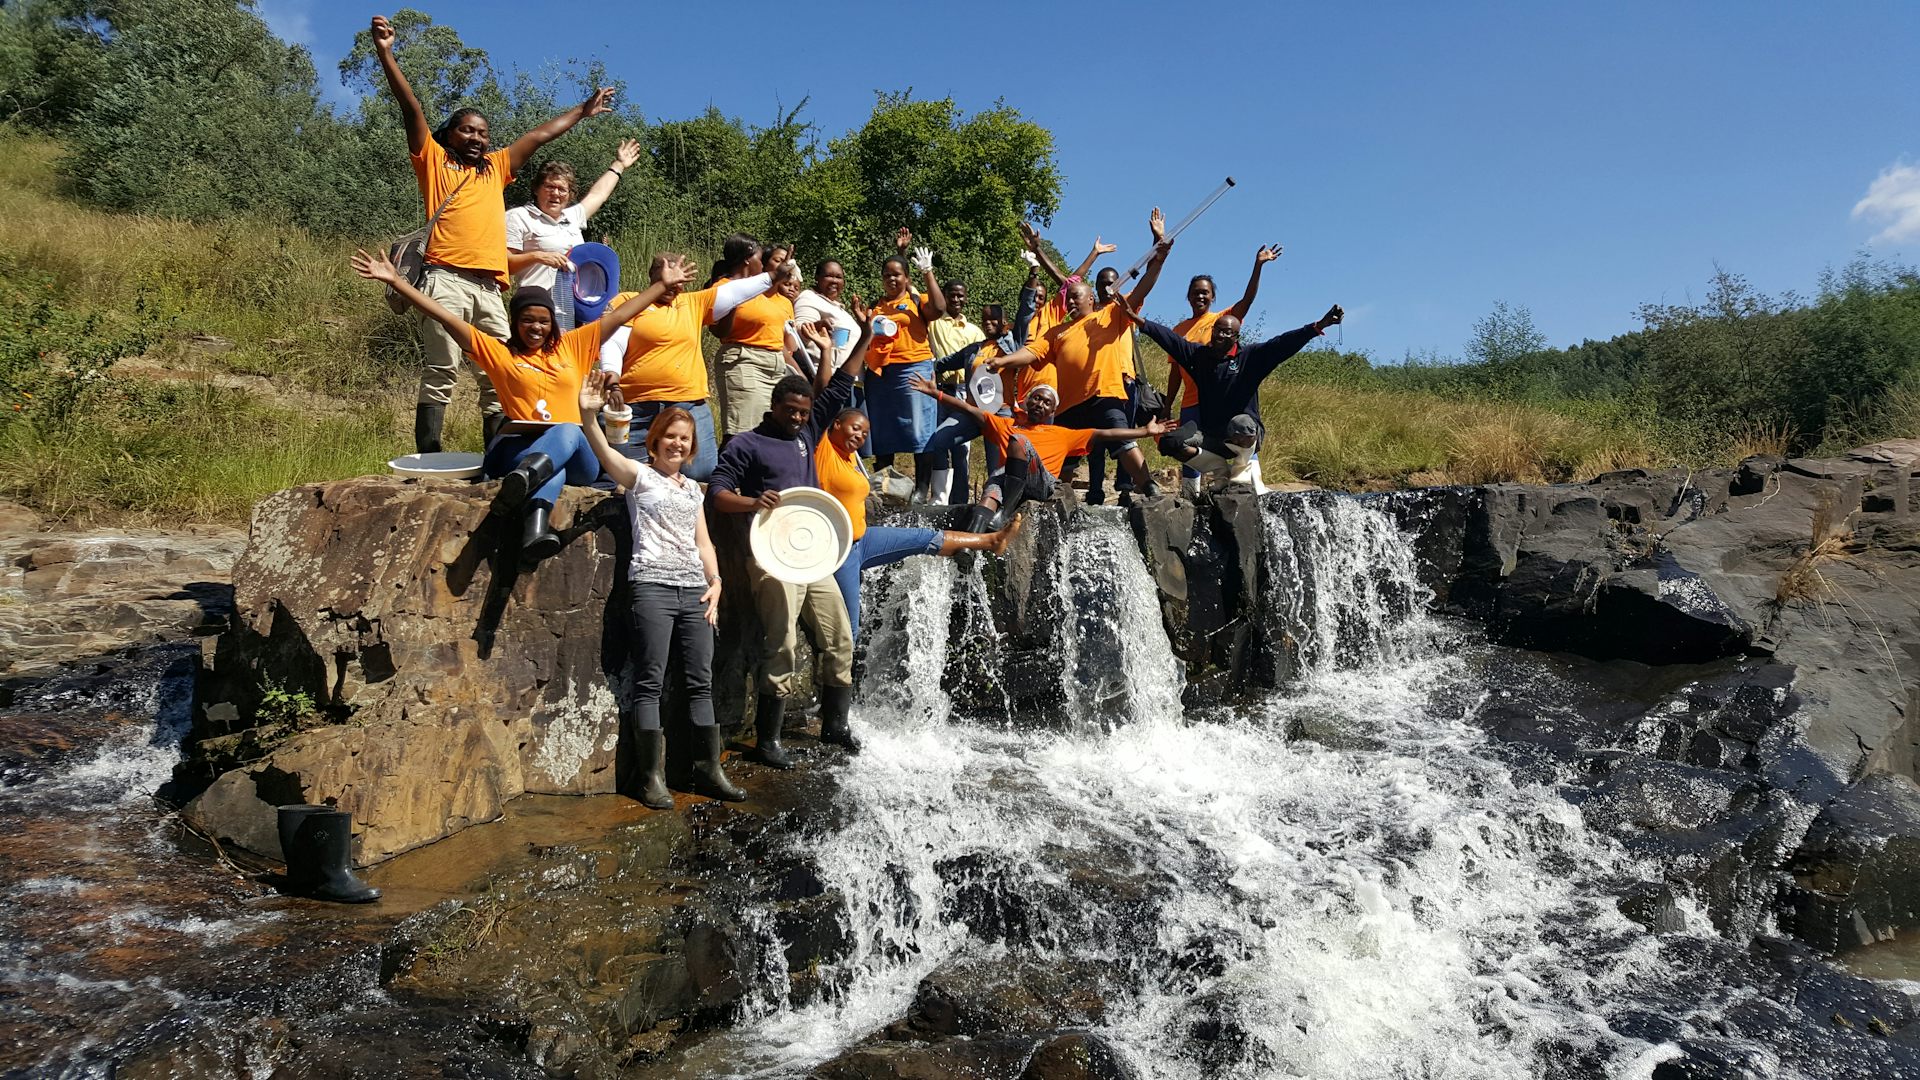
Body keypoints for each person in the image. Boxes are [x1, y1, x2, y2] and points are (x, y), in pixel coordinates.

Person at [369, 14, 616, 455]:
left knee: (500, 371)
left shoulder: (496, 169)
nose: (478, 138)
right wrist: (387, 55)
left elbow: (538, 136)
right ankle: (430, 456)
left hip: (490, 288)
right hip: (445, 278)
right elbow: (412, 110)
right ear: (449, 135)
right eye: (467, 130)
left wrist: (582, 110)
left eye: (483, 132)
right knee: (442, 367)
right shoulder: (434, 162)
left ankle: (502, 455)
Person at [351, 247, 693, 557]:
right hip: (516, 449)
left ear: (552, 324)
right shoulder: (499, 353)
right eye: (528, 319)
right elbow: (447, 317)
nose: (536, 327)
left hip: (576, 454)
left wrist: (661, 286)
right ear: (515, 322)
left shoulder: (572, 346)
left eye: (543, 321)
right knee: (553, 461)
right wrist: (397, 282)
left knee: (569, 431)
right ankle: (536, 530)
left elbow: (618, 317)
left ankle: (527, 478)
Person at [707, 311, 874, 766]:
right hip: (770, 557)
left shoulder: (808, 433)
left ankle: (835, 726)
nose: (799, 418)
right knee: (781, 642)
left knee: (840, 636)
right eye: (791, 411)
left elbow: (841, 384)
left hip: (812, 554)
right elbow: (719, 492)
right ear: (773, 408)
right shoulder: (745, 444)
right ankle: (768, 739)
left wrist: (866, 334)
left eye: (804, 412)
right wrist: (753, 503)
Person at [575, 371, 745, 807]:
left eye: (685, 439)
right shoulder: (639, 477)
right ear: (655, 440)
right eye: (670, 436)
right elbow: (603, 451)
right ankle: (649, 777)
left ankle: (707, 769)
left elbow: (703, 542)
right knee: (650, 680)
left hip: (695, 593)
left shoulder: (693, 491)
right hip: (651, 587)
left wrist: (717, 583)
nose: (678, 444)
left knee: (700, 681)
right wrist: (587, 415)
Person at [813, 370, 1022, 643]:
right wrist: (830, 349)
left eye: (865, 433)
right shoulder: (823, 447)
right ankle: (839, 678)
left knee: (926, 539)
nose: (860, 436)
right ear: (836, 424)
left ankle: (991, 540)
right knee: (848, 632)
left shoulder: (849, 456)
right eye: (855, 428)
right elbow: (825, 398)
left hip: (862, 540)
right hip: (838, 551)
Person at [988, 209, 1174, 502]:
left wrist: (1158, 255)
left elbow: (1143, 288)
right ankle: (1054, 495)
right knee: (1062, 453)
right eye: (1068, 296)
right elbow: (1029, 353)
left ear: (1091, 299)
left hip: (1106, 393)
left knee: (1124, 443)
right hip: (1069, 404)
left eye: (1077, 295)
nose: (1071, 299)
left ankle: (1149, 489)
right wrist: (1001, 361)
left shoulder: (1112, 313)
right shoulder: (1056, 331)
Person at [1127, 301, 1346, 490]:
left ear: (1236, 336)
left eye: (1226, 332)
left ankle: (1241, 470)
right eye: (1217, 330)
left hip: (1245, 433)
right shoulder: (1199, 356)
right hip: (1211, 434)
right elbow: (1170, 339)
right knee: (1169, 441)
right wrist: (1138, 320)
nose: (1220, 335)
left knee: (1241, 423)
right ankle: (1218, 469)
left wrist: (1318, 326)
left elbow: (1283, 344)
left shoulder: (1251, 357)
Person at [597, 256, 774, 482]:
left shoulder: (693, 303)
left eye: (679, 281)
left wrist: (772, 277)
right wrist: (613, 382)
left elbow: (735, 291)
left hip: (688, 403)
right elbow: (614, 343)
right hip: (636, 406)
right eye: (667, 278)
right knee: (618, 475)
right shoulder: (630, 300)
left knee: (701, 473)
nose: (675, 286)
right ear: (652, 276)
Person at [911, 377, 1169, 531]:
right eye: (1036, 399)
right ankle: (972, 544)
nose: (1039, 404)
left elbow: (1107, 434)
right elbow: (969, 410)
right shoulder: (1005, 424)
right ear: (1026, 402)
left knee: (1018, 443)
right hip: (1008, 480)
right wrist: (937, 393)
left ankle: (1005, 513)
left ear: (1052, 412)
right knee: (992, 489)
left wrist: (1144, 431)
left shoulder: (1062, 433)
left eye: (1046, 402)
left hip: (1042, 484)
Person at [1165, 245, 1282, 494]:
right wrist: (1167, 405)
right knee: (1190, 447)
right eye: (1196, 293)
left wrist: (1258, 265)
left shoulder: (1222, 320)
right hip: (1190, 401)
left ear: (1212, 297)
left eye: (1205, 293)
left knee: (1239, 437)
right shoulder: (1179, 329)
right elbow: (1175, 371)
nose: (1200, 297)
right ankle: (1191, 494)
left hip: (1220, 399)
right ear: (1188, 296)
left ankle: (1252, 486)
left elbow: (1247, 300)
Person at [503, 140, 643, 323]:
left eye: (562, 189)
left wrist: (619, 164)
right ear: (536, 189)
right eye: (549, 187)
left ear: (570, 195)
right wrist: (538, 256)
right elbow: (505, 263)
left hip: (576, 309)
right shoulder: (518, 216)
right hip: (537, 310)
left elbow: (598, 194)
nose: (555, 193)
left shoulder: (573, 217)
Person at [862, 228, 950, 501]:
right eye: (886, 275)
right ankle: (886, 487)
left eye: (896, 274)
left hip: (914, 369)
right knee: (883, 429)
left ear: (906, 278)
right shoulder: (877, 307)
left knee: (920, 429)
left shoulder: (915, 300)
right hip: (881, 374)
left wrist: (927, 272)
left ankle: (922, 489)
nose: (891, 278)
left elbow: (938, 308)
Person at [709, 234, 800, 438]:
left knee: (770, 434)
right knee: (744, 434)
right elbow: (716, 330)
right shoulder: (724, 286)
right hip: (745, 362)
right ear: (748, 259)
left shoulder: (775, 298)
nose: (763, 263)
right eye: (761, 258)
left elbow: (782, 341)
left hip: (775, 366)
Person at [925, 280, 987, 505]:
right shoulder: (933, 323)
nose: (956, 299)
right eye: (952, 295)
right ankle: (938, 498)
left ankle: (959, 500)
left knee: (961, 448)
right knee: (936, 442)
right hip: (937, 389)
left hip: (962, 392)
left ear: (966, 298)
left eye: (961, 295)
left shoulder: (974, 331)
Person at [794, 260, 861, 373]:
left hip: (850, 380)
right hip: (825, 376)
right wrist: (818, 325)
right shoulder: (808, 298)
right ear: (817, 277)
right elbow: (798, 332)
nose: (834, 281)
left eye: (839, 277)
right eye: (829, 276)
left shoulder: (839, 308)